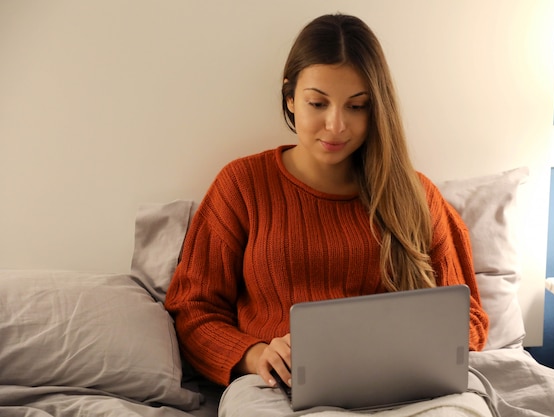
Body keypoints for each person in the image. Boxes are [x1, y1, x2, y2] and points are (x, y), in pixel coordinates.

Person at [165, 13, 489, 415]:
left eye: (356, 106)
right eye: (317, 103)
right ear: (290, 98)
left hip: (410, 388)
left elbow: (470, 317)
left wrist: (413, 346)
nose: (336, 125)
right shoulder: (242, 185)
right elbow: (193, 310)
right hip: (279, 387)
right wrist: (254, 353)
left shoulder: (415, 195)